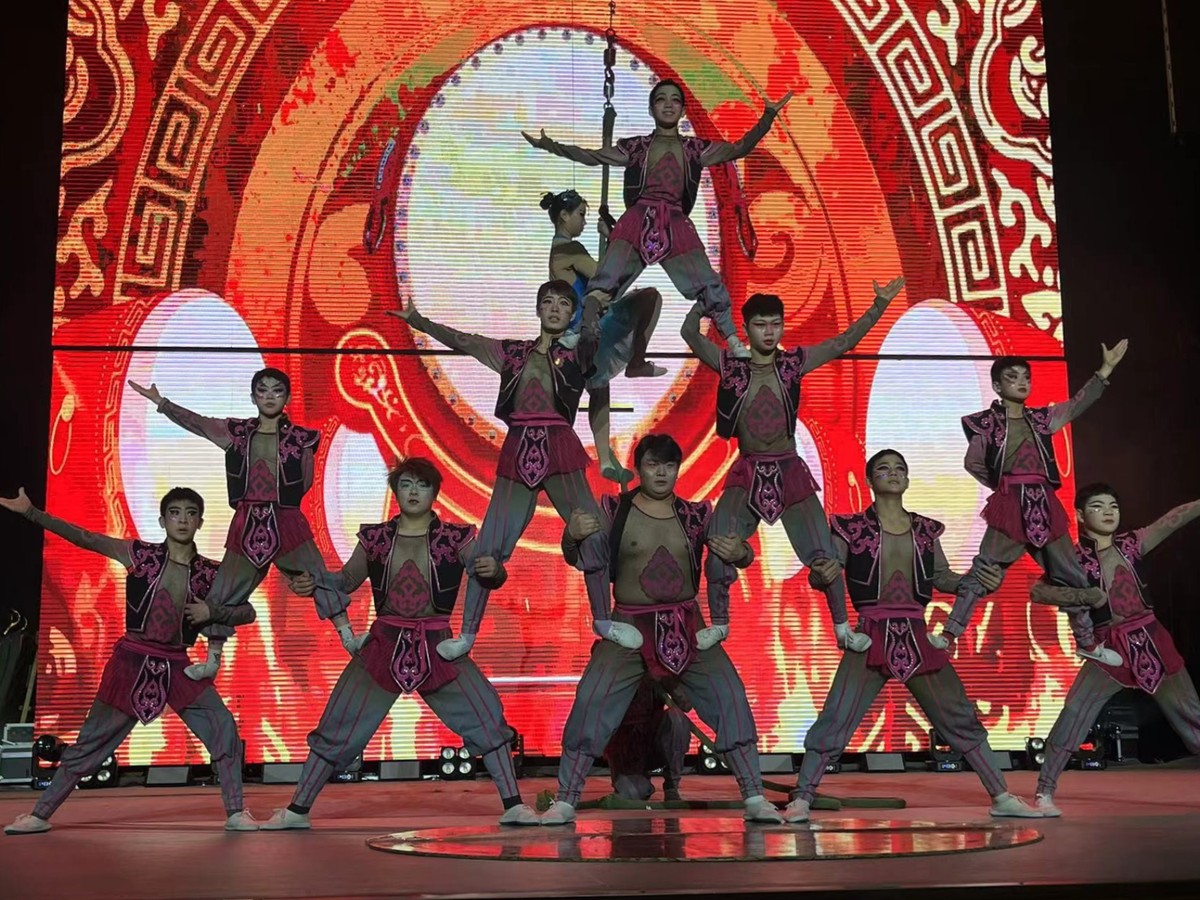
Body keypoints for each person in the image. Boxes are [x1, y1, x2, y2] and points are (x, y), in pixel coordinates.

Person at [262, 458, 538, 828]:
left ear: (434, 492)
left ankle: (514, 805)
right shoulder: (375, 539)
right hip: (384, 644)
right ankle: (297, 811)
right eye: (405, 484)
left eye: (422, 484)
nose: (413, 491)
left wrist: (497, 571)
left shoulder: (456, 538)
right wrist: (314, 583)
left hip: (437, 645)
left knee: (485, 717)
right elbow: (345, 581)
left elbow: (486, 572)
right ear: (395, 491)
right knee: (338, 724)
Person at [543, 434, 782, 825]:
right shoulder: (614, 510)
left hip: (686, 624)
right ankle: (566, 800)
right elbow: (578, 554)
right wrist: (571, 535)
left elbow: (738, 552)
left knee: (730, 696)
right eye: (653, 464)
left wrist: (743, 552)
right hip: (627, 626)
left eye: (669, 466)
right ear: (639, 468)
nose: (661, 473)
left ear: (677, 470)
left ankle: (755, 797)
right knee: (591, 700)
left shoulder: (695, 515)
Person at [792, 450, 1042, 822]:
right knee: (836, 718)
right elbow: (826, 575)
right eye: (883, 468)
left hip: (917, 636)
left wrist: (978, 582)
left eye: (900, 469)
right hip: (870, 634)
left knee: (958, 717)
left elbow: (943, 578)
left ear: (908, 480)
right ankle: (801, 799)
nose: (893, 473)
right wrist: (818, 575)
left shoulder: (925, 530)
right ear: (870, 480)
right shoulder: (850, 527)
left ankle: (1001, 796)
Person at [2, 486, 257, 834]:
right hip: (131, 662)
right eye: (175, 513)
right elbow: (85, 538)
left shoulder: (210, 573)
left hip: (178, 665)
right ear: (163, 520)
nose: (182, 520)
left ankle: (236, 811)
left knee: (223, 726)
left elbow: (247, 611)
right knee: (92, 743)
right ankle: (40, 814)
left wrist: (213, 611)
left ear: (200, 521)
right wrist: (33, 514)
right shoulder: (139, 554)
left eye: (190, 513)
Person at [388, 282, 611, 656]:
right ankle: (467, 635)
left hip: (561, 445)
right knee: (489, 544)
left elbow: (591, 338)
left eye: (563, 304)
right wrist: (419, 321)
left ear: (571, 313)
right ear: (538, 310)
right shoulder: (513, 353)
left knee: (593, 530)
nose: (555, 309)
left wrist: (590, 308)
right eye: (548, 302)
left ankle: (603, 620)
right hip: (519, 447)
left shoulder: (578, 354)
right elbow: (466, 341)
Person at [682, 282, 904, 654]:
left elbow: (843, 342)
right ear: (746, 328)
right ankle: (720, 624)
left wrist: (878, 306)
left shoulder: (793, 364)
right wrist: (703, 303)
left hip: (789, 470)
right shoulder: (729, 366)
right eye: (760, 325)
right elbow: (689, 334)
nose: (769, 332)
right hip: (747, 470)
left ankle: (843, 629)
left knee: (826, 558)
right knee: (719, 544)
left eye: (775, 324)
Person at [523, 80, 795, 359]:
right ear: (651, 108)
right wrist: (549, 145)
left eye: (675, 100)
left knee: (707, 281)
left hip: (675, 223)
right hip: (636, 220)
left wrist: (767, 118)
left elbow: (738, 149)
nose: (668, 104)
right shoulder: (636, 147)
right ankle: (580, 331)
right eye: (661, 99)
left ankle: (733, 341)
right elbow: (591, 156)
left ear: (683, 110)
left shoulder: (695, 149)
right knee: (607, 278)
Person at [127, 368, 361, 679]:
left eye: (276, 391)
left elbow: (305, 483)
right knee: (224, 589)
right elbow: (199, 423)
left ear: (287, 397)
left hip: (287, 519)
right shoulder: (236, 433)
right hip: (246, 523)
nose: (269, 396)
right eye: (262, 391)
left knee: (317, 575)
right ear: (253, 397)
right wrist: (162, 403)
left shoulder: (301, 439)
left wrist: (281, 505)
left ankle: (349, 639)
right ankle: (212, 662)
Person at [949, 346, 1130, 662]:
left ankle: (1087, 643)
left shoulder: (1041, 419)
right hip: (1010, 505)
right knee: (985, 567)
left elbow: (1075, 405)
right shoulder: (985, 423)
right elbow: (973, 462)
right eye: (1013, 377)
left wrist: (1104, 371)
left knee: (1072, 574)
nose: (1022, 382)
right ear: (997, 386)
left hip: (1045, 505)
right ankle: (949, 635)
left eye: (1026, 377)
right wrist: (1004, 487)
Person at [1031, 485, 1200, 816]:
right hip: (1107, 648)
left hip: (1152, 640)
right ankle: (1044, 792)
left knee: (1192, 714)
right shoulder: (1072, 561)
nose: (1108, 512)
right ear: (1080, 515)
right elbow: (1038, 592)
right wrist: (1081, 596)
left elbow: (1172, 520)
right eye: (1098, 506)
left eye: (1113, 506)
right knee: (1075, 712)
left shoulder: (1132, 544)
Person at [541, 188, 664, 483]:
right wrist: (612, 239)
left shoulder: (562, 251)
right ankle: (637, 361)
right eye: (580, 215)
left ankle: (605, 459)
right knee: (650, 298)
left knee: (599, 388)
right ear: (564, 216)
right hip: (581, 332)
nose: (583, 221)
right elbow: (607, 279)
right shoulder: (569, 250)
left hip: (581, 330)